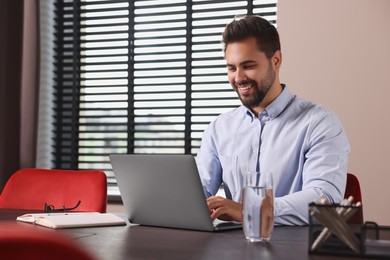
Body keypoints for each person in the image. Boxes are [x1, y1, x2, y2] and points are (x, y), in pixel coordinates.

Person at [195, 15, 350, 226]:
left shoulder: (319, 123)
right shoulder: (219, 128)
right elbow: (198, 193)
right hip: (231, 248)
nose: (238, 77)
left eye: (248, 66)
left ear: (276, 60)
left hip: (293, 250)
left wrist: (250, 211)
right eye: (232, 68)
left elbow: (324, 200)